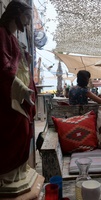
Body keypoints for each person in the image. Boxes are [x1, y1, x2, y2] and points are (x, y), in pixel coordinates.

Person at [0, 0, 37, 184]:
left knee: (26, 130)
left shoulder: (13, 38)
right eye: (27, 17)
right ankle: (8, 174)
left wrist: (26, 60)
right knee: (19, 130)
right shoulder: (1, 34)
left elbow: (17, 65)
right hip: (9, 96)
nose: (29, 22)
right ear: (17, 13)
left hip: (20, 93)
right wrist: (21, 89)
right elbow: (4, 68)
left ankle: (19, 170)